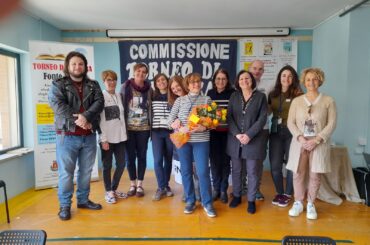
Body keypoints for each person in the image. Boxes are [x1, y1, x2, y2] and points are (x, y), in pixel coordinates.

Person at [48, 51, 104, 221]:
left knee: (86, 171)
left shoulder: (93, 85)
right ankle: (64, 205)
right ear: (68, 66)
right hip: (67, 135)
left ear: (85, 66)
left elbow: (99, 103)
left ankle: (83, 200)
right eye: (74, 64)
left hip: (88, 135)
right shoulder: (58, 84)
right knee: (66, 173)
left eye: (80, 64)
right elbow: (58, 105)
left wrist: (86, 117)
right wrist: (80, 119)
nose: (77, 67)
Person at [287, 68, 337, 220]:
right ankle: (298, 202)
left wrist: (317, 139)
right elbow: (291, 122)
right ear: (304, 81)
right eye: (308, 79)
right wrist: (301, 138)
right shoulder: (296, 101)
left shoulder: (328, 101)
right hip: (299, 142)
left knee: (315, 174)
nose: (311, 82)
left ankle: (310, 203)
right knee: (298, 173)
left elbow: (332, 123)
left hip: (319, 143)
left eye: (314, 79)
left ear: (320, 80)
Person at [168, 73, 216, 218]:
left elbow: (213, 121)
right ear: (187, 85)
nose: (196, 84)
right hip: (184, 141)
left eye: (198, 82)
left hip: (201, 141)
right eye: (193, 82)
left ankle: (207, 202)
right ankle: (190, 201)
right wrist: (174, 124)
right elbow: (169, 119)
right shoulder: (180, 101)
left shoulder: (206, 99)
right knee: (186, 171)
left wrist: (205, 127)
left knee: (202, 172)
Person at [227, 70, 267, 214]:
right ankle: (237, 196)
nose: (244, 81)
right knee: (236, 170)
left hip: (254, 140)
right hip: (235, 140)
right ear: (238, 82)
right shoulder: (234, 96)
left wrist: (249, 135)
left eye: (247, 78)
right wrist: (237, 134)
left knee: (252, 172)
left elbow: (262, 119)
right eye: (241, 79)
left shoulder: (261, 97)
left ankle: (251, 200)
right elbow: (229, 117)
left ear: (252, 80)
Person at [268, 65, 303, 207]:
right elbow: (268, 111)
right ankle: (279, 192)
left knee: (291, 164)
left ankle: (288, 194)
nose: (286, 78)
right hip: (276, 131)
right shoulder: (272, 94)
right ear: (279, 78)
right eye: (283, 75)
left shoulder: (298, 94)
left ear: (293, 78)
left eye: (289, 76)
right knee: (275, 165)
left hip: (291, 132)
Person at [120, 63, 152, 198]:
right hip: (129, 129)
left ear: (146, 74)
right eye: (138, 71)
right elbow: (121, 107)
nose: (141, 74)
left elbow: (151, 108)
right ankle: (132, 184)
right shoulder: (125, 87)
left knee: (142, 156)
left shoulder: (149, 89)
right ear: (134, 73)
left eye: (144, 72)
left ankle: (140, 185)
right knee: (130, 158)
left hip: (144, 129)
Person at [168, 76, 201, 202]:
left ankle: (198, 191)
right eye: (173, 88)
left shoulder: (195, 96)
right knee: (186, 167)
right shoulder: (175, 101)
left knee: (197, 166)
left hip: (196, 137)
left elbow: (200, 116)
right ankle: (188, 192)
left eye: (177, 86)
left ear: (184, 84)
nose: (176, 89)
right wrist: (174, 122)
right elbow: (170, 120)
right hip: (181, 138)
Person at [99, 70, 128, 204]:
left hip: (120, 137)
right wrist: (103, 139)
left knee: (121, 164)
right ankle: (108, 191)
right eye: (108, 80)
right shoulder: (100, 97)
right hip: (107, 138)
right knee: (107, 166)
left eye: (114, 79)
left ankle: (113, 189)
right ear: (104, 82)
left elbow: (121, 117)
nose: (112, 82)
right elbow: (99, 120)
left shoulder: (118, 95)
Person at [206, 68, 234, 203]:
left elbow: (235, 114)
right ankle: (215, 189)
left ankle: (223, 189)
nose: (220, 81)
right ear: (214, 80)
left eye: (223, 79)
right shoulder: (210, 93)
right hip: (213, 133)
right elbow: (207, 114)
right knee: (214, 162)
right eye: (218, 79)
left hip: (228, 134)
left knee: (225, 162)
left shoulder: (233, 94)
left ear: (227, 81)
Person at [247, 59, 273, 200]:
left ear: (263, 71)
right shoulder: (242, 83)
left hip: (262, 129)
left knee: (258, 161)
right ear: (250, 69)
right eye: (254, 68)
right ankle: (246, 187)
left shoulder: (269, 86)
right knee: (244, 160)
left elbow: (269, 110)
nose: (257, 71)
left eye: (260, 69)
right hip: (245, 130)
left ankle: (256, 189)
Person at [151, 73, 174, 201]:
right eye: (158, 81)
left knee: (168, 159)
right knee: (158, 160)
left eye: (163, 80)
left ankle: (166, 185)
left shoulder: (173, 96)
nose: (161, 82)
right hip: (156, 132)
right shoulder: (152, 95)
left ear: (167, 81)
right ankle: (161, 187)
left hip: (170, 132)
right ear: (155, 83)